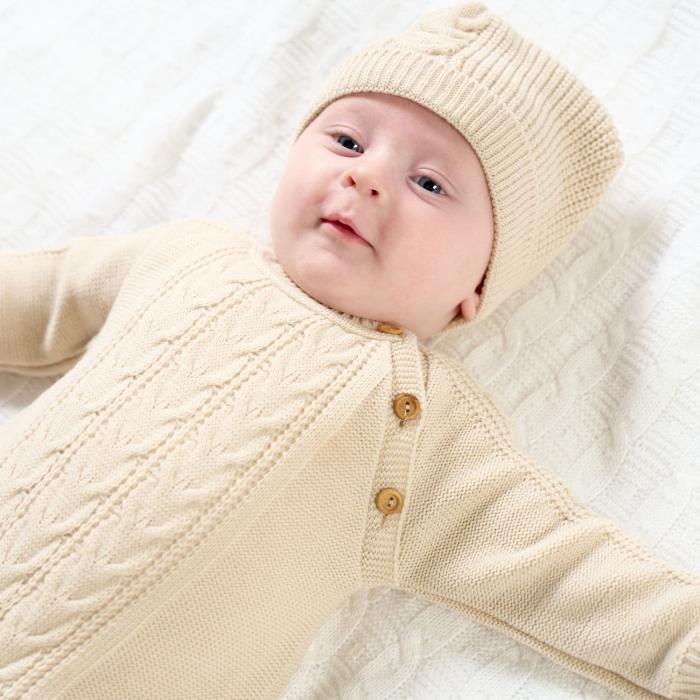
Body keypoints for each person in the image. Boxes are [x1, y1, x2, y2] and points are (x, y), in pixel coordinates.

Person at [0, 3, 698, 699]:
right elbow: (30, 295)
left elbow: (563, 570)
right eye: (347, 141)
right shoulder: (182, 258)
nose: (367, 178)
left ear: (477, 285)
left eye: (430, 183)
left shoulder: (412, 423)